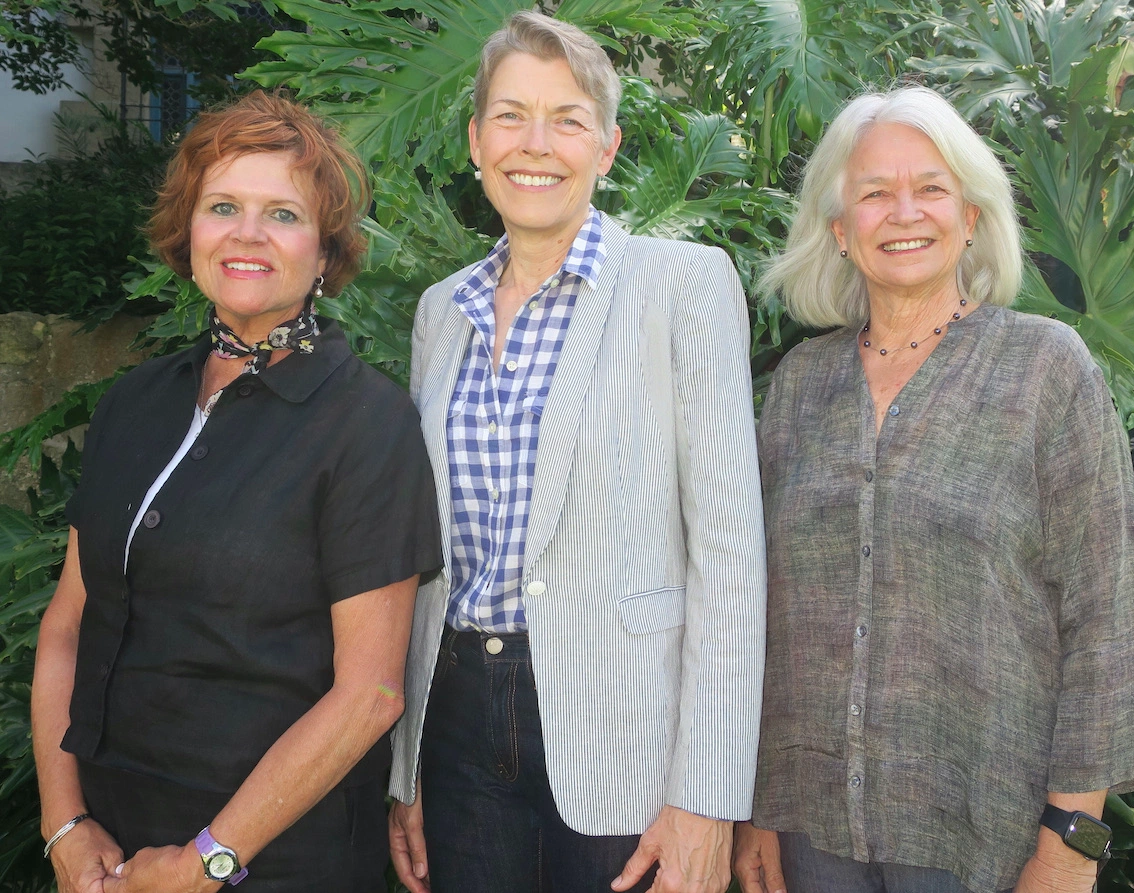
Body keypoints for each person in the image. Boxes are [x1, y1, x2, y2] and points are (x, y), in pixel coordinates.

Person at [732, 85, 1134, 893]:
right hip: (812, 830)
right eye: (873, 193)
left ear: (970, 218)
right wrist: (757, 811)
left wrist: (1071, 844)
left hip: (984, 831)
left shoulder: (1045, 368)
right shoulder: (800, 385)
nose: (904, 213)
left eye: (931, 188)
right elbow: (769, 617)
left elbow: (1105, 622)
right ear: (839, 229)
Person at [385, 11, 766, 893]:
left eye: (568, 118)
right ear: (477, 141)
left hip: (625, 735)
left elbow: (731, 561)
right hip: (457, 728)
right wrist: (405, 771)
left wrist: (707, 798)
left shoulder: (686, 285)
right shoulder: (442, 312)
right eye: (511, 115)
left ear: (607, 146)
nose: (537, 143)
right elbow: (422, 559)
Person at [31, 90, 442, 893]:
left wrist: (206, 862)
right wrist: (65, 826)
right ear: (190, 236)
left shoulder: (366, 423)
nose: (248, 233)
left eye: (283, 214)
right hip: (109, 848)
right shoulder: (134, 403)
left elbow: (370, 694)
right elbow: (65, 630)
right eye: (223, 206)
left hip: (278, 857)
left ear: (325, 252)